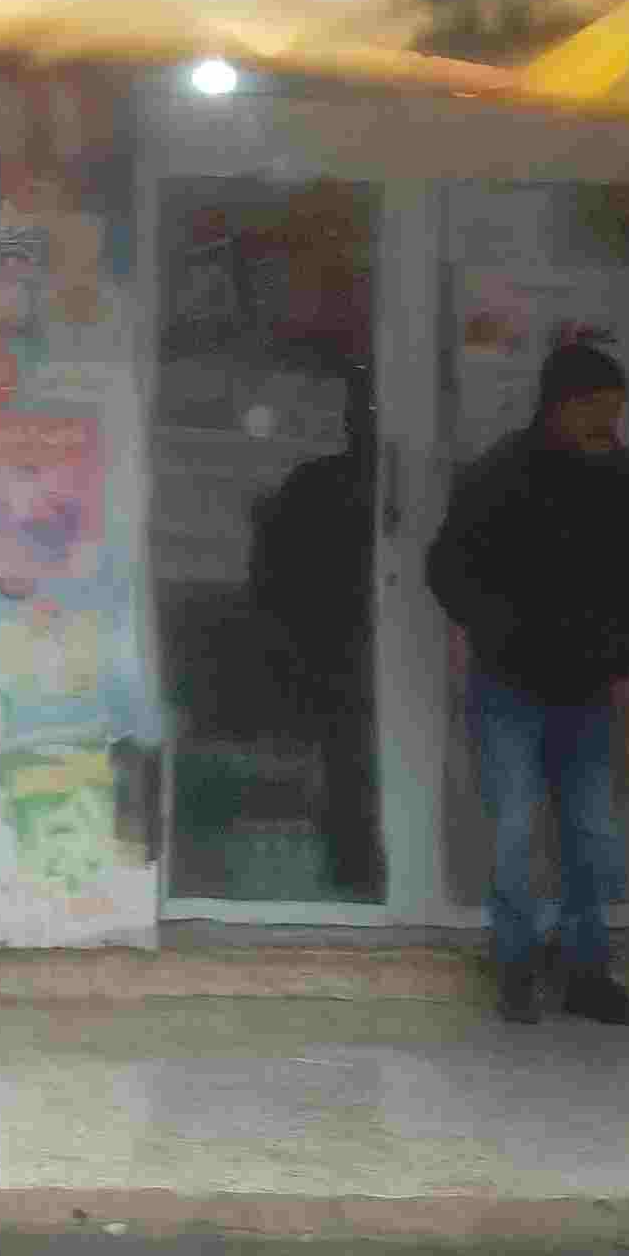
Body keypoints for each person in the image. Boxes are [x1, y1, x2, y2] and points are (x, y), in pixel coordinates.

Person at [426, 341, 629, 1026]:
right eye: (598, 410)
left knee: (592, 836)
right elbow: (447, 569)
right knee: (514, 829)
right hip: (511, 689)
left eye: (615, 411)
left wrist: (624, 655)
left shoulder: (622, 479)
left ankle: (587, 974)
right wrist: (502, 631)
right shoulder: (499, 474)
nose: (609, 424)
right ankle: (516, 967)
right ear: (559, 406)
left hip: (588, 692)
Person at [247, 368, 380, 900]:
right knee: (350, 762)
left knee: (351, 763)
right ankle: (357, 874)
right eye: (362, 413)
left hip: (346, 648)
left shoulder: (319, 482)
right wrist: (288, 649)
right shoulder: (319, 484)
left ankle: (357, 874)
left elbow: (268, 572)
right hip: (338, 648)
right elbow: (272, 573)